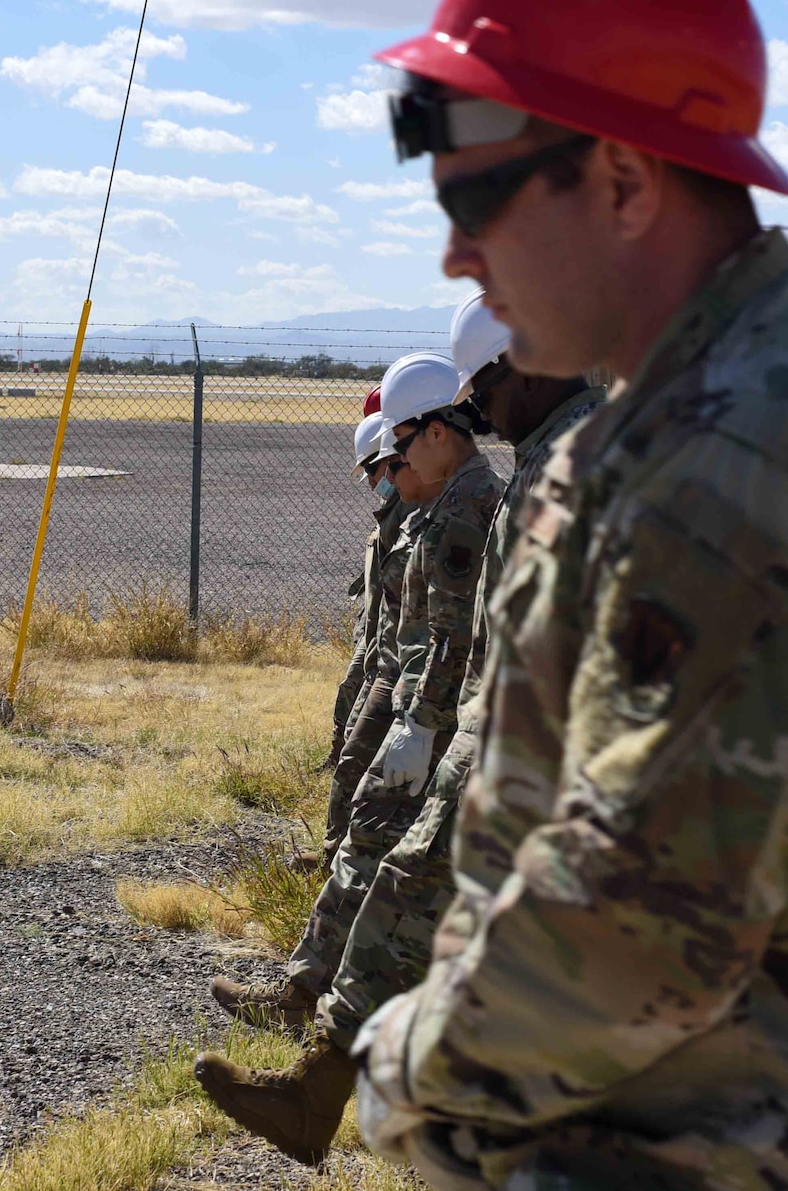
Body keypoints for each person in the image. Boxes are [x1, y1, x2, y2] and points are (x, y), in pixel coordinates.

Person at [346, 0, 788, 1191]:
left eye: (481, 191)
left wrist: (408, 1064)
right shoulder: (675, 420)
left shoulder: (749, 458)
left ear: (628, 180)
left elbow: (639, 923)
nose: (455, 254)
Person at [195, 295, 603, 1165]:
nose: (480, 408)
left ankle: (337, 1092)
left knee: (420, 892)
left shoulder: (579, 461)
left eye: (486, 384)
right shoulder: (558, 453)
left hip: (534, 742)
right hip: (521, 739)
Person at [209, 353, 503, 1037]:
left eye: (398, 446)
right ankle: (318, 996)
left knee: (374, 847)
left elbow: (453, 636)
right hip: (432, 715)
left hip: (443, 720)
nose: (394, 468)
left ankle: (310, 1000)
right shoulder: (454, 501)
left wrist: (422, 723)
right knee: (380, 854)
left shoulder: (465, 507)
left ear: (437, 432)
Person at [324, 403, 407, 778]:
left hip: (389, 646)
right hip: (376, 636)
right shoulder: (395, 513)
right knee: (352, 691)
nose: (372, 482)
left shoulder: (409, 514)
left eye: (373, 470)